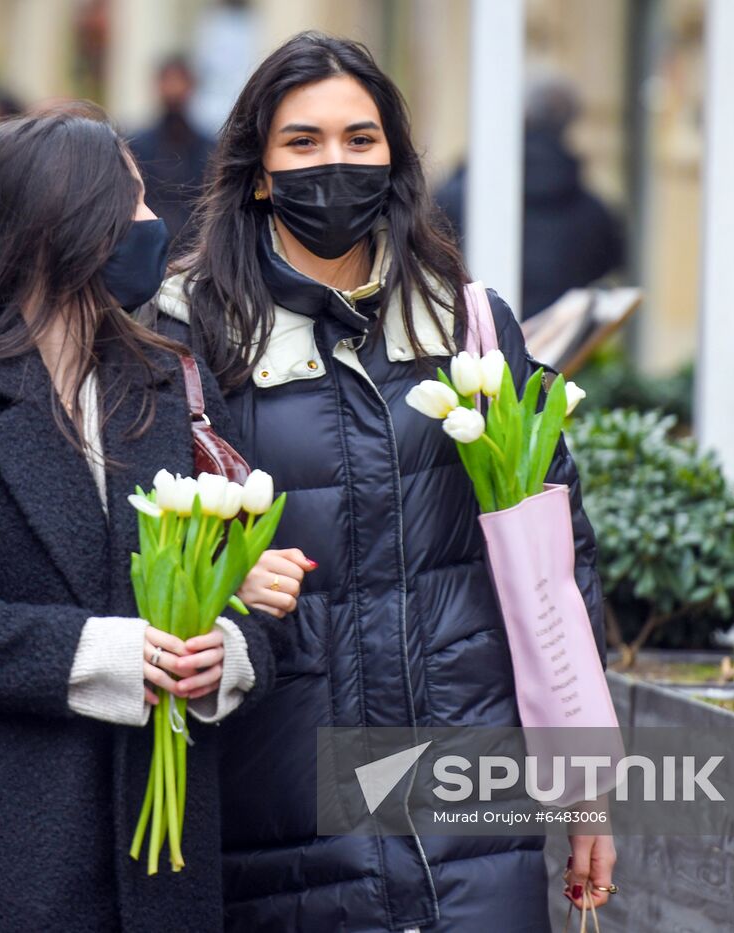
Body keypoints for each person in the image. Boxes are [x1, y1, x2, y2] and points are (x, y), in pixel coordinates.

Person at [150, 33, 616, 930]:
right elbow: (133, 538)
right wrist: (223, 575)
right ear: (257, 169)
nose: (336, 163)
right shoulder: (186, 331)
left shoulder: (469, 325)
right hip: (283, 805)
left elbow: (560, 565)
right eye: (304, 142)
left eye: (361, 140)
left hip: (471, 809)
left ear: (395, 158)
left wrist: (587, 782)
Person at [0, 102, 286, 932]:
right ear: (66, 222)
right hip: (0, 841)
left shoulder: (171, 378)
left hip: (161, 853)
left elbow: (248, 583)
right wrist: (105, 653)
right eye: (132, 200)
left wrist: (227, 653)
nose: (154, 222)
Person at [435, 73, 625, 320]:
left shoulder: (462, 192)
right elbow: (611, 263)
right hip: (557, 345)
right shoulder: (593, 210)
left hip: (475, 339)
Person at [128, 55, 216, 248]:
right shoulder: (137, 145)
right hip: (146, 245)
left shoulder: (209, 148)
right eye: (168, 81)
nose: (174, 89)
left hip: (194, 248)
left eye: (180, 81)